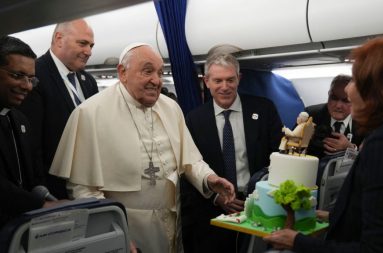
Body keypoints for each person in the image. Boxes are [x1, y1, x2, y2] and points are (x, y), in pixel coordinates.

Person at [264, 33, 383, 252]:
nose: (349, 92)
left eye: (355, 80)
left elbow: (377, 249)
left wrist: (297, 242)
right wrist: (333, 217)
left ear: (380, 89)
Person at [48, 42, 235, 253]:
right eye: (147, 71)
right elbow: (83, 189)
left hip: (172, 222)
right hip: (126, 227)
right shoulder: (91, 113)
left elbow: (189, 160)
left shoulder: (171, 108)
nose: (156, 80)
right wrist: (115, 234)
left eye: (159, 72)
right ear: (122, 72)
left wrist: (209, 179)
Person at [181, 52, 283, 253]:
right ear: (206, 82)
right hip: (214, 213)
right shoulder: (194, 119)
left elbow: (278, 155)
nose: (225, 87)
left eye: (230, 80)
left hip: (259, 206)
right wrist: (216, 197)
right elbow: (189, 169)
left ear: (239, 79)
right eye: (218, 80)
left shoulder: (263, 109)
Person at [18, 19, 98, 199]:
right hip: (53, 188)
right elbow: (32, 143)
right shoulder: (34, 75)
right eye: (83, 43)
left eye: (91, 45)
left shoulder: (89, 82)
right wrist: (42, 192)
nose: (89, 51)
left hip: (87, 183)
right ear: (59, 38)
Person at [0, 36, 61, 228]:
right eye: (17, 76)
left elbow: (33, 175)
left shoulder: (20, 120)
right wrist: (40, 204)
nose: (27, 86)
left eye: (31, 79)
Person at [305, 74, 362, 157]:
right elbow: (291, 148)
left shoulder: (363, 122)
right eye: (334, 98)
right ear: (328, 95)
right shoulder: (311, 115)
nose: (338, 106)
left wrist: (351, 149)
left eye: (345, 101)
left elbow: (369, 160)